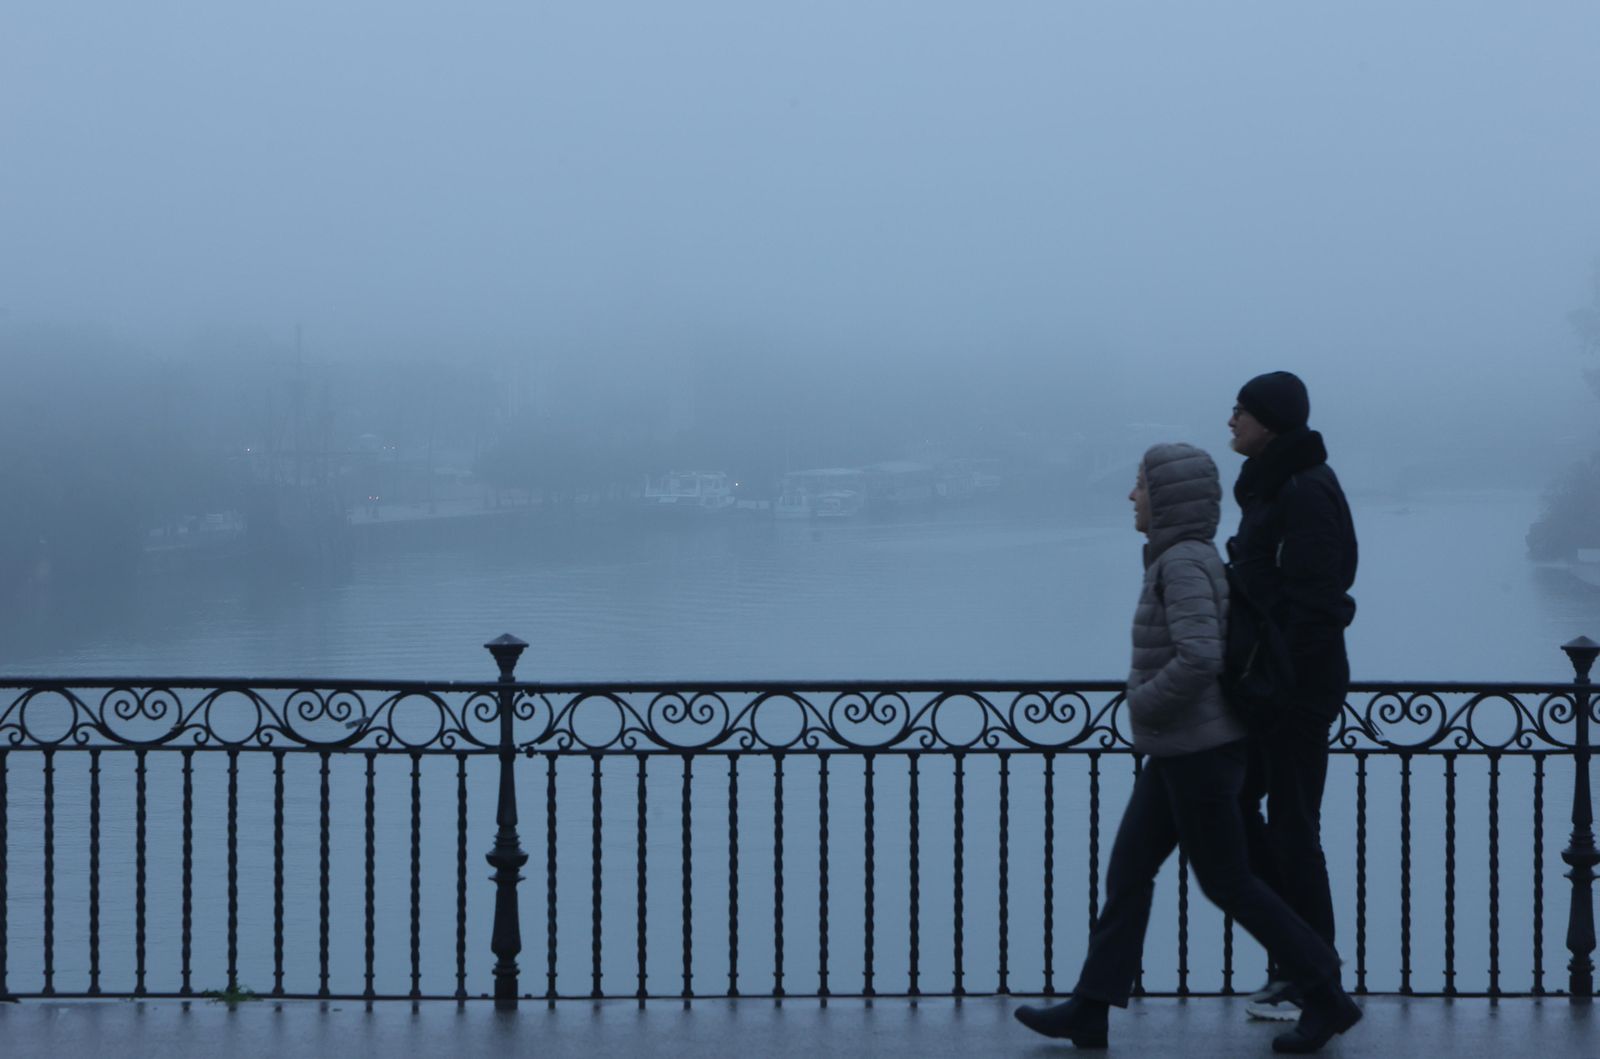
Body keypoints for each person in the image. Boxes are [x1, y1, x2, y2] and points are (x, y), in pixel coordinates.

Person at [1013, 443, 1361, 1054]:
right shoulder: (1184, 559)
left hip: (1198, 749)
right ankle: (1090, 1008)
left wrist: (1143, 702)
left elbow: (1199, 656)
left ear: (1167, 496)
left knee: (1228, 881)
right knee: (1128, 874)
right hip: (1180, 748)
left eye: (1141, 484)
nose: (1131, 496)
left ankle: (1326, 993)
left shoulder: (1182, 564)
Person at [1226, 372, 1358, 1021]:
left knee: (1293, 827)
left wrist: (1285, 684)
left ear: (1270, 421)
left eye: (1241, 411)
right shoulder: (1279, 485)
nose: (1230, 421)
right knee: (1251, 812)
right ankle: (1300, 959)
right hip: (1272, 685)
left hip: (1293, 687)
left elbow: (1315, 598)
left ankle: (1313, 974)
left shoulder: (1303, 490)